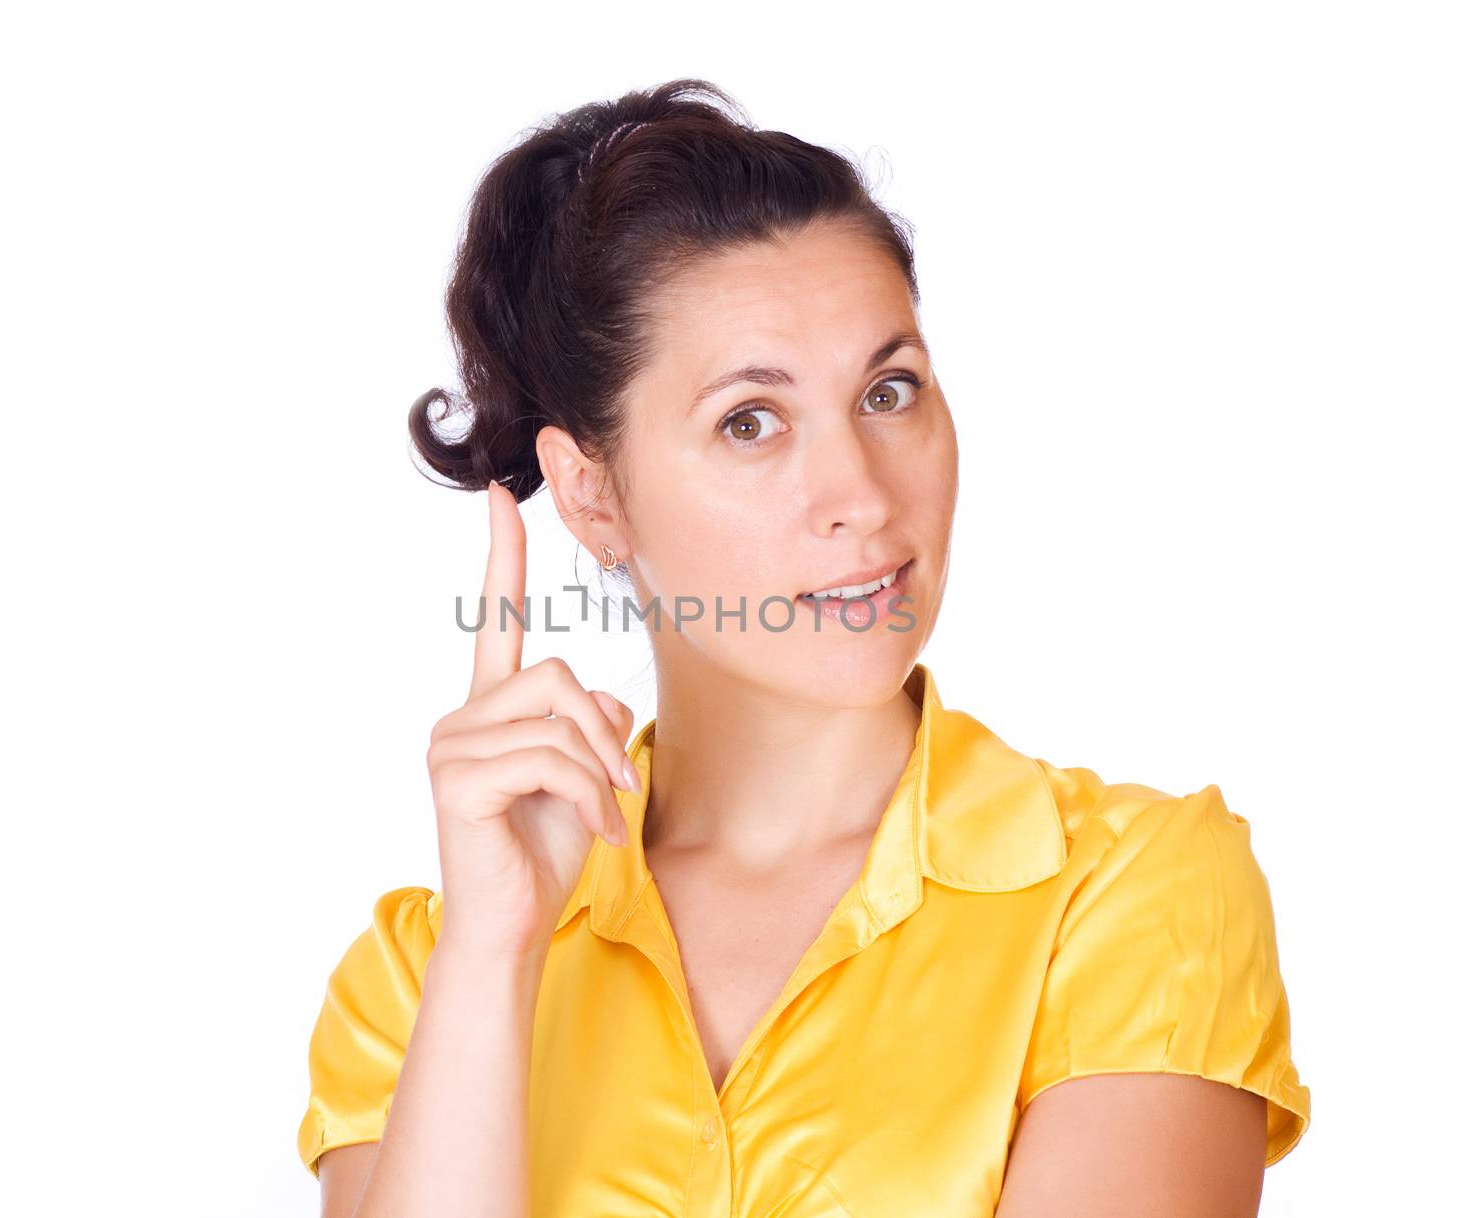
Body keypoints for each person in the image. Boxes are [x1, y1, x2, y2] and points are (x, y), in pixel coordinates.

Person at [296, 79, 1311, 1217]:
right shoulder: (423, 975)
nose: (862, 495)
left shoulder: (1133, 890)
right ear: (591, 496)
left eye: (888, 392)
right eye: (750, 421)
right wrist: (493, 957)